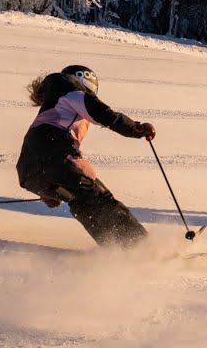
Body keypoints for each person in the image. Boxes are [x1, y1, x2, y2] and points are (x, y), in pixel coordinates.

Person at [16, 65, 156, 247]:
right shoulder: (73, 93)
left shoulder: (55, 103)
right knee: (101, 199)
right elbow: (105, 115)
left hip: (28, 172)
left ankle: (116, 247)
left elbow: (41, 152)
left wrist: (49, 189)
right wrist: (137, 129)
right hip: (56, 159)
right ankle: (142, 248)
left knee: (81, 202)